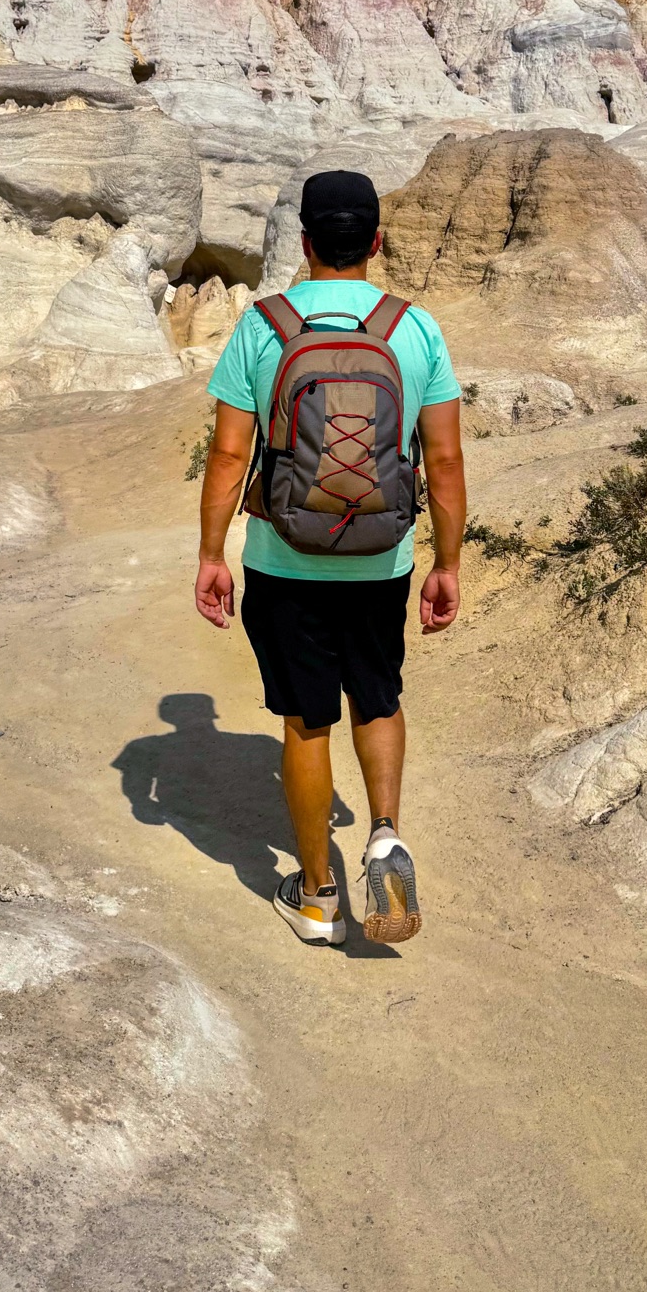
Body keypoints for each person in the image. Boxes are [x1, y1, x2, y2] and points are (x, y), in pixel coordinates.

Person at [194, 169, 466, 946]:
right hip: (383, 560)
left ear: (306, 242)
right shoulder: (413, 328)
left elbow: (227, 453)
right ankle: (383, 833)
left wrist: (213, 551)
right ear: (375, 243)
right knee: (377, 699)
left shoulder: (263, 325)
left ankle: (317, 897)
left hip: (285, 558)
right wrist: (446, 563)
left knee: (305, 723)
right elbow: (442, 464)